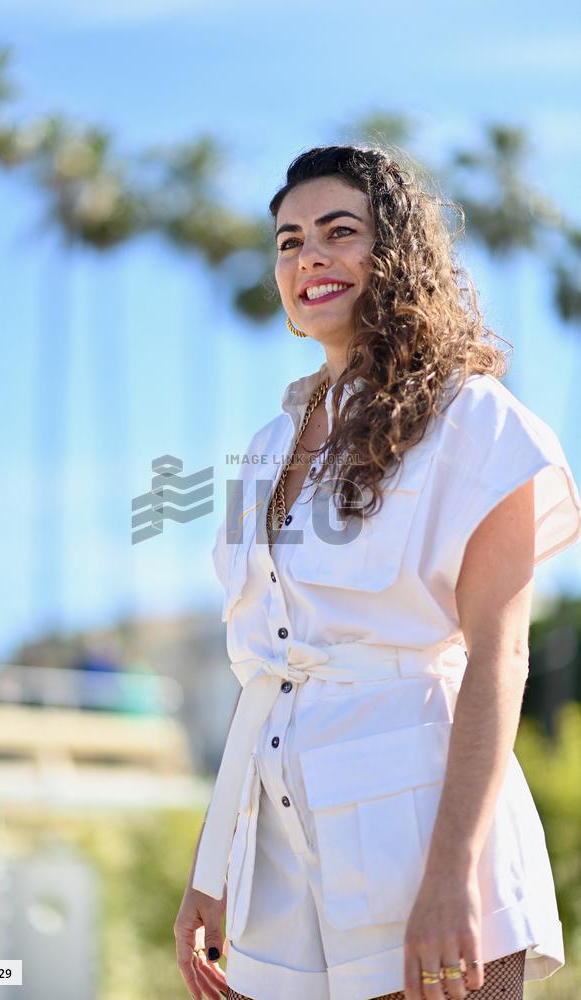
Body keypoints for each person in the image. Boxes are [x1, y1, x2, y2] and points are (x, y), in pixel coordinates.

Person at [173, 145, 581, 1000]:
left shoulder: (476, 423)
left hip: (420, 834)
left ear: (394, 255)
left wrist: (452, 877)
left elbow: (497, 659)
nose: (308, 256)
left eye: (338, 232)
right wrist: (212, 866)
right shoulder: (263, 451)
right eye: (288, 241)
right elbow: (268, 674)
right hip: (275, 866)